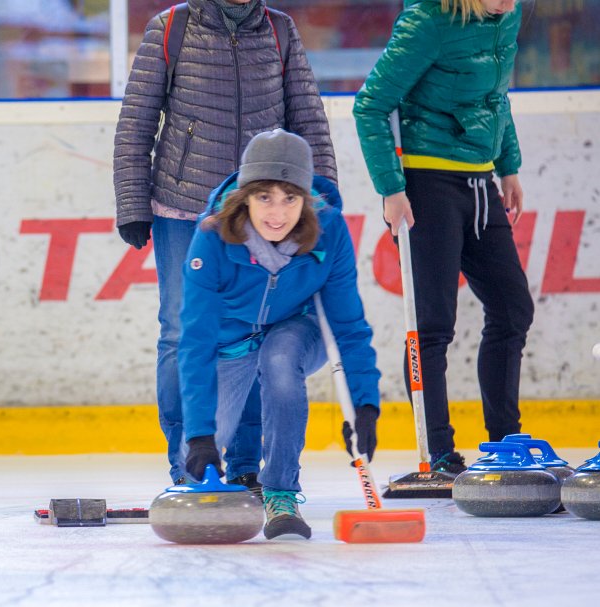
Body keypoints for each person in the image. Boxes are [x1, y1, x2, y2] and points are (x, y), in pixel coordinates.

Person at [113, 0, 338, 488]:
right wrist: (132, 201)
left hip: (263, 213)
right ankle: (189, 465)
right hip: (185, 208)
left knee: (257, 331)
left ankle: (243, 466)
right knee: (181, 331)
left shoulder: (279, 30)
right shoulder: (171, 28)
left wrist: (322, 205)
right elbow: (136, 123)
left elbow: (309, 123)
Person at [352, 0, 534, 475]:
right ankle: (438, 453)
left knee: (512, 308)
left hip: (480, 180)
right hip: (426, 183)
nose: (507, 2)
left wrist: (508, 165)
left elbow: (496, 96)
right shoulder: (429, 19)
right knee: (432, 324)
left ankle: (505, 444)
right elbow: (370, 104)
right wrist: (392, 189)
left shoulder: (506, 15)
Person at [179, 129, 381, 539]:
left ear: (305, 198)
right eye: (264, 197)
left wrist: (365, 405)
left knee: (280, 360)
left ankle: (280, 492)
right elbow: (196, 340)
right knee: (199, 454)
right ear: (245, 197)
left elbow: (348, 326)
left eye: (290, 198)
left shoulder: (328, 230)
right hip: (231, 339)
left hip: (297, 328)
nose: (278, 213)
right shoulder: (212, 238)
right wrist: (200, 436)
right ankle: (198, 474)